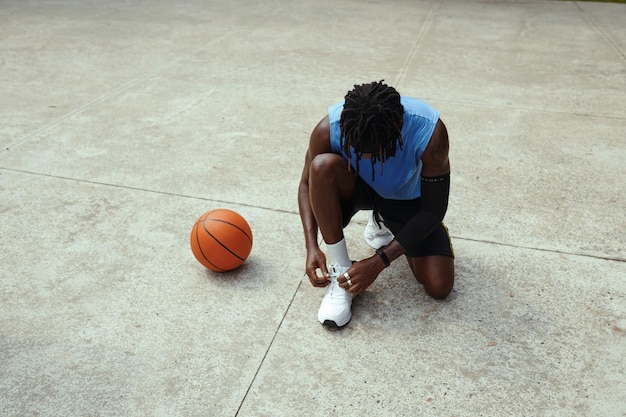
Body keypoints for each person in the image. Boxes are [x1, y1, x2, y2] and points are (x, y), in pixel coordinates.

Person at [298, 80, 455, 328]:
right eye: (358, 150)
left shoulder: (429, 132)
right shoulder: (329, 128)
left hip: (406, 198)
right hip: (355, 188)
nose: (367, 158)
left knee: (439, 285)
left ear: (398, 130)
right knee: (321, 167)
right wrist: (311, 246)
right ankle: (342, 273)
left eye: (378, 151)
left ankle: (384, 221)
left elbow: (433, 209)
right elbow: (306, 184)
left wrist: (379, 261)